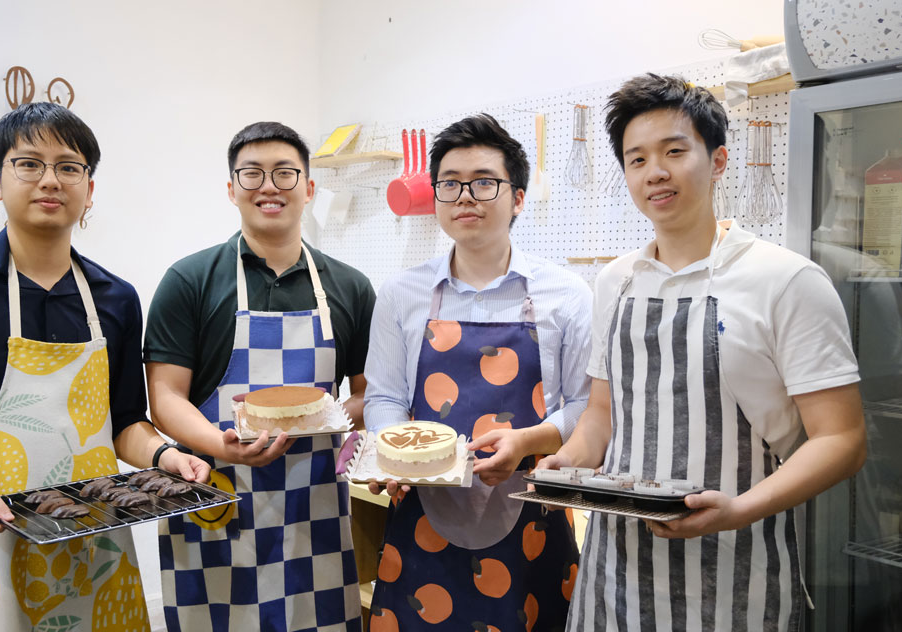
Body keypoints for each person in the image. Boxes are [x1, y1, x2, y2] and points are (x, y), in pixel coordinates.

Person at [538, 74, 867, 631]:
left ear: (717, 161)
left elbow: (843, 440)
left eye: (674, 151)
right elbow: (602, 414)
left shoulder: (785, 281)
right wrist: (569, 460)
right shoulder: (615, 280)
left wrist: (737, 510)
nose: (655, 172)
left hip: (738, 568)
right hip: (613, 570)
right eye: (636, 159)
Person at [0, 102, 210, 630]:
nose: (49, 180)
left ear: (89, 190)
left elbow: (122, 421)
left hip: (91, 542)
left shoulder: (116, 298)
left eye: (68, 167)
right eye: (28, 163)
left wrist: (165, 456)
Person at [363, 114, 592, 631]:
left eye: (484, 181)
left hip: (532, 512)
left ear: (518, 197)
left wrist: (530, 437)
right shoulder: (402, 294)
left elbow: (587, 409)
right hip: (423, 511)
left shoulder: (567, 294)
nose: (465, 195)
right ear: (437, 197)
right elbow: (384, 396)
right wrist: (391, 449)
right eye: (450, 183)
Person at [144, 121, 376, 631]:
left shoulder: (351, 287)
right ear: (231, 189)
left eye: (285, 173)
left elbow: (368, 396)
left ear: (309, 188)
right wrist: (220, 443)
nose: (269, 186)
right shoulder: (190, 280)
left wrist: (318, 415)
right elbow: (164, 397)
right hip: (216, 492)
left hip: (312, 501)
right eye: (251, 174)